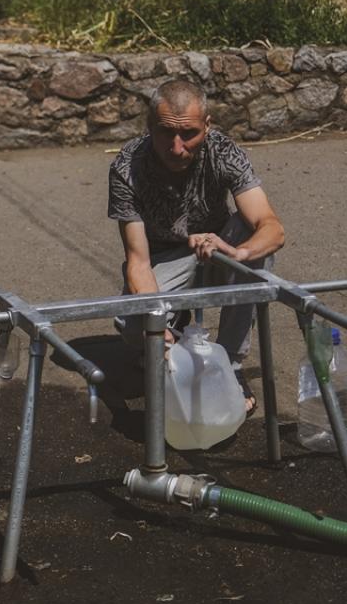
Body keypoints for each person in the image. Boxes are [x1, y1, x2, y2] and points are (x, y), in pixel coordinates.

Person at [108, 79, 286, 415]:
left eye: (188, 134)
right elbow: (138, 261)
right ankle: (172, 337)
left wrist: (239, 254)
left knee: (256, 247)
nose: (177, 148)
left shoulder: (224, 152)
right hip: (164, 259)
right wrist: (155, 324)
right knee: (132, 326)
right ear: (149, 127)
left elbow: (272, 228)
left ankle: (230, 364)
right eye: (165, 133)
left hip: (217, 250)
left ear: (207, 125)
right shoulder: (127, 167)